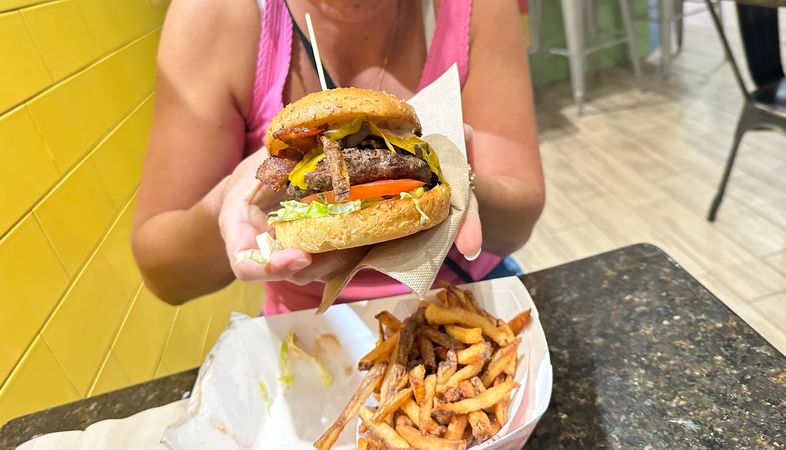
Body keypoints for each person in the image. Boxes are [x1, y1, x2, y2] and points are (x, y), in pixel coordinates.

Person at [132, 0, 545, 313]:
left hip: (469, 299)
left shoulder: (475, 8)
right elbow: (165, 276)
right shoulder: (216, 15)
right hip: (314, 330)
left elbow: (520, 220)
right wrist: (228, 201)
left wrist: (457, 183)